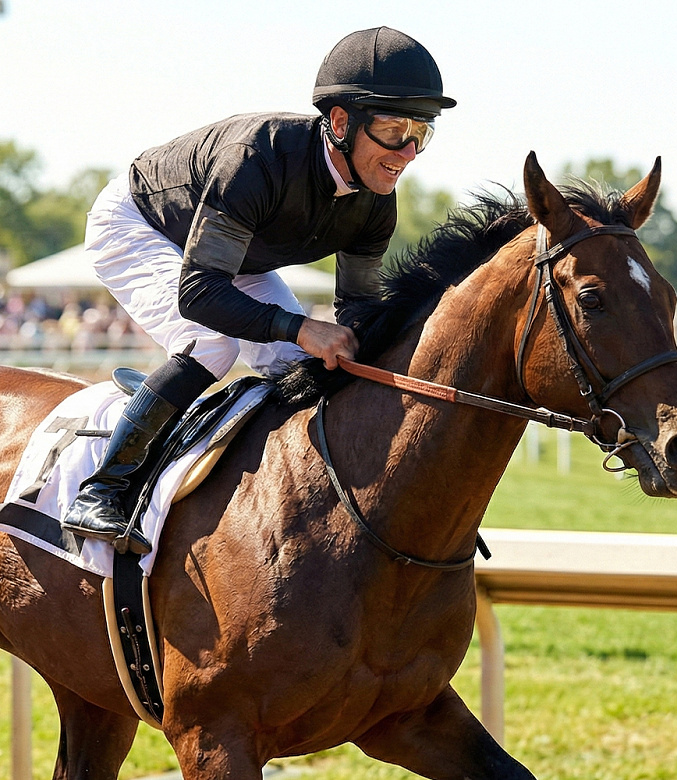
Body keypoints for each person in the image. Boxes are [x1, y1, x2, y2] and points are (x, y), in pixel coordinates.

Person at [60, 26, 456, 554]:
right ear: (340, 122)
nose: (407, 151)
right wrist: (301, 326)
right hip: (143, 226)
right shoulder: (256, 159)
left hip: (232, 256)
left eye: (420, 132)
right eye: (392, 129)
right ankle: (102, 487)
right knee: (212, 343)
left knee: (298, 366)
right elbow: (199, 294)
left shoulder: (375, 201)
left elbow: (356, 309)